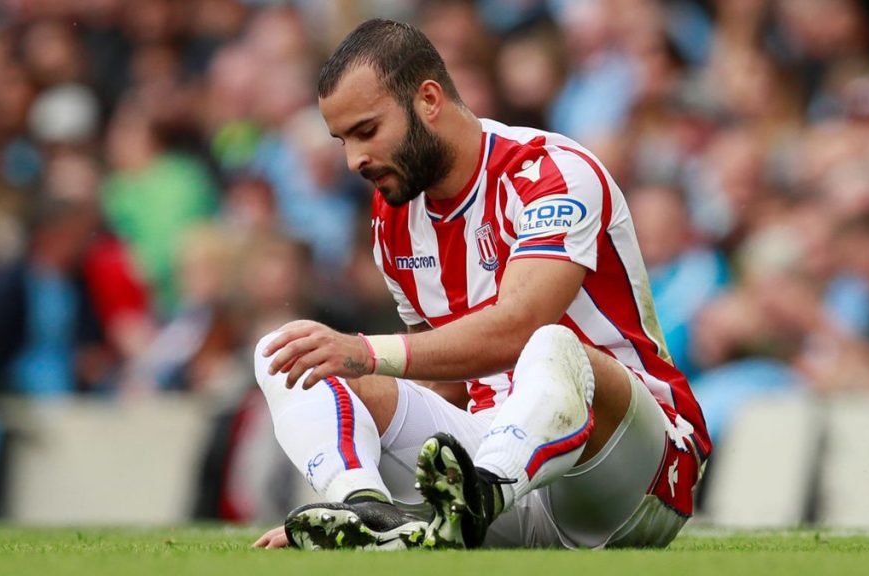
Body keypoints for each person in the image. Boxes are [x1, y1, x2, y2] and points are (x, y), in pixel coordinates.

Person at [252, 19, 709, 551]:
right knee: (286, 352)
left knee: (552, 345)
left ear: (428, 100)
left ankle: (474, 500)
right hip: (503, 471)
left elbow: (519, 327)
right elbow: (441, 376)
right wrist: (360, 401)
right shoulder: (392, 219)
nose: (354, 160)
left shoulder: (551, 173)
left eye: (367, 131)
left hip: (626, 472)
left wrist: (363, 353)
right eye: (343, 140)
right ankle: (365, 511)